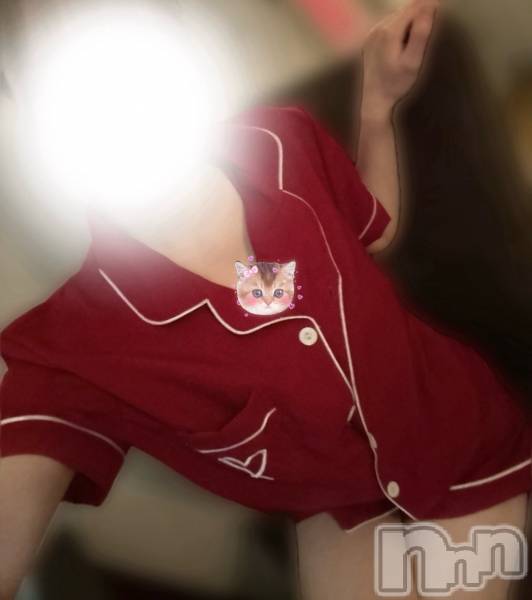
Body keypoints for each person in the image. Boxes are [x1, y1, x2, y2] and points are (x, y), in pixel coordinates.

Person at [1, 2, 530, 600]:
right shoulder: (77, 350)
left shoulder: (282, 141)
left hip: (461, 438)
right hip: (341, 510)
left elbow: (372, 229)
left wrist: (377, 107)